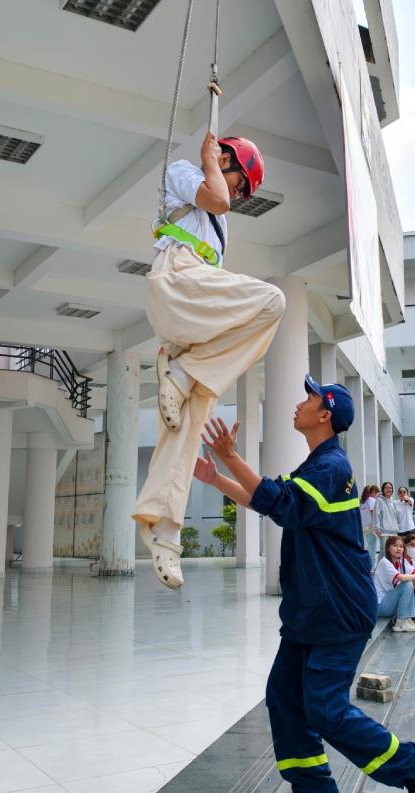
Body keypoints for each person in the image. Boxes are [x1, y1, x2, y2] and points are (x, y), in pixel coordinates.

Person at [193, 375, 415, 793]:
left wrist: (231, 457)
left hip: (338, 610)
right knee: (285, 700)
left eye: (309, 397)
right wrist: (216, 479)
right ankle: (313, 792)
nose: (300, 402)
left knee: (325, 709)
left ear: (325, 415)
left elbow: (280, 502)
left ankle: (414, 764)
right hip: (309, 610)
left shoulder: (333, 468)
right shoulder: (316, 466)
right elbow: (273, 502)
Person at [133, 133, 284, 591]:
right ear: (225, 159)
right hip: (176, 282)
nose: (238, 196)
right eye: (243, 183)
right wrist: (209, 161)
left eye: (243, 191)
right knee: (273, 299)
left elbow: (221, 203)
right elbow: (217, 198)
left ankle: (164, 529)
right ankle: (183, 372)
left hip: (196, 308)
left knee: (188, 422)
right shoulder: (184, 172)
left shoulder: (220, 225)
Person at [373, 535, 415, 632]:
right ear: (388, 548)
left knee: (409, 583)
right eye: (395, 545)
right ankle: (400, 623)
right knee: (407, 584)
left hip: (389, 603)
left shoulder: (401, 561)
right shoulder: (384, 562)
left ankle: (407, 618)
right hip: (380, 606)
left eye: (401, 546)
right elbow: (402, 577)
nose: (398, 549)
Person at [376, 482, 400, 553]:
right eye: (386, 488)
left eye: (390, 488)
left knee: (393, 552)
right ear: (383, 489)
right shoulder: (379, 500)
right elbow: (376, 514)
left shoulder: (393, 501)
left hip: (393, 531)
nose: (388, 489)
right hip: (384, 531)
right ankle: (380, 564)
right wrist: (377, 528)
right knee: (384, 551)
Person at [361, 484, 382, 563]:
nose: (376, 495)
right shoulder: (372, 500)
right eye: (376, 493)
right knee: (372, 548)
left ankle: (368, 564)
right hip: (371, 527)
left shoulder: (363, 502)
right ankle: (371, 566)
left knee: (369, 546)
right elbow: (374, 513)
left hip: (364, 528)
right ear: (373, 492)